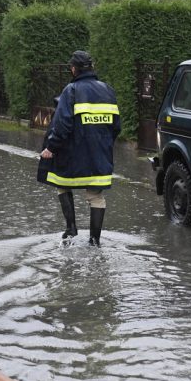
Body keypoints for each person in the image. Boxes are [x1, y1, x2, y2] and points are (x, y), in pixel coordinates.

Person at [38, 50, 121, 246]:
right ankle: (95, 241)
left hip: (73, 153)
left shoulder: (71, 90)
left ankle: (71, 228)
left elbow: (63, 125)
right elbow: (116, 126)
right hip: (99, 153)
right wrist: (104, 144)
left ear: (73, 69)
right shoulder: (108, 90)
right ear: (92, 68)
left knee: (62, 183)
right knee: (96, 194)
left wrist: (51, 147)